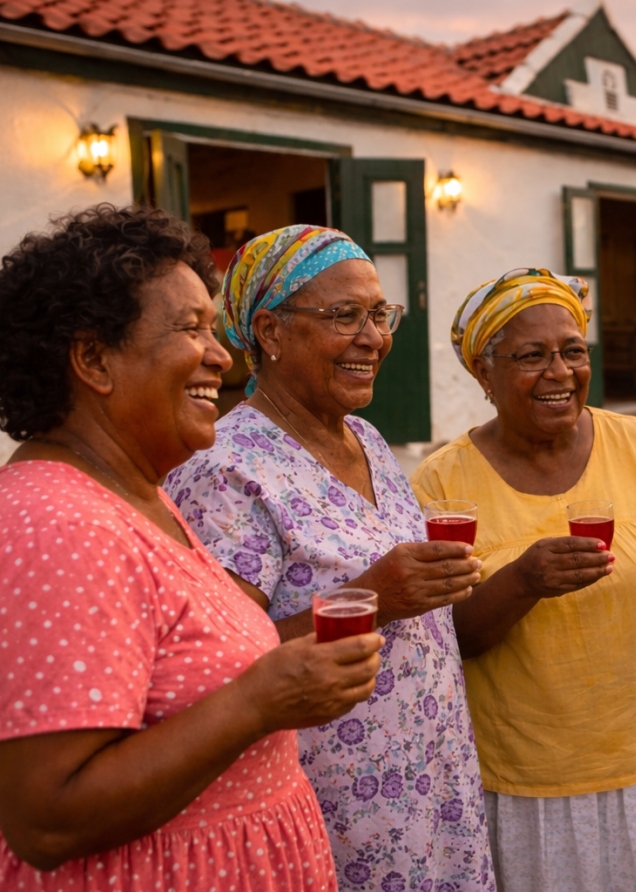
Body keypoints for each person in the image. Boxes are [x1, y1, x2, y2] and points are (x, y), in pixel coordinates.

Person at [0, 205, 383, 890]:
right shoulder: (60, 523)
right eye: (189, 328)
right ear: (93, 358)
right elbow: (47, 815)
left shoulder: (138, 494)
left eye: (213, 326)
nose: (222, 355)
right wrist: (256, 702)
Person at [166, 225, 494, 892]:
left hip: (435, 781)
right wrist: (376, 596)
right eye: (345, 315)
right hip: (339, 805)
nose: (373, 336)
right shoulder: (226, 468)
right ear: (271, 332)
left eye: (379, 313)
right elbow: (219, 668)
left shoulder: (367, 439)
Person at [412, 268, 636, 891]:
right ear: (483, 374)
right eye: (530, 356)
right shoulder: (441, 484)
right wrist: (521, 582)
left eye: (573, 351)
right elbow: (447, 640)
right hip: (533, 782)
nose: (560, 372)